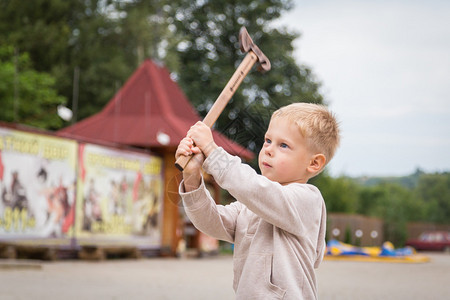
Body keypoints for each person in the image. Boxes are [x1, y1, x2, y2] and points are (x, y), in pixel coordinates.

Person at [176, 102, 340, 299]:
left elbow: (255, 189)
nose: (269, 149)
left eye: (284, 145)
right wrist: (192, 177)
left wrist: (212, 151)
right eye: (268, 140)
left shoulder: (307, 199)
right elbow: (210, 221)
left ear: (314, 163)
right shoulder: (249, 205)